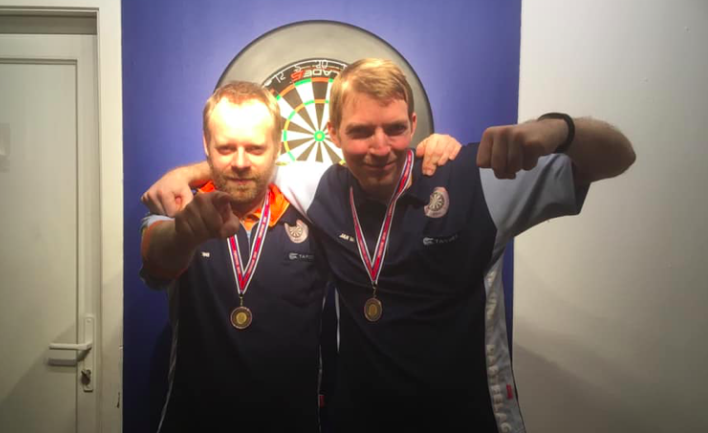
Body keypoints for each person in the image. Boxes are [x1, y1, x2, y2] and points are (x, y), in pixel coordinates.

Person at [142, 59, 635, 432]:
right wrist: (185, 175)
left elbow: (619, 156)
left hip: (468, 417)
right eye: (360, 132)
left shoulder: (476, 178)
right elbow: (247, 165)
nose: (380, 148)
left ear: (413, 124)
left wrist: (556, 129)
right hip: (361, 419)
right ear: (333, 136)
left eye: (395, 129)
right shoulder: (319, 186)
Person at [140, 80, 461, 432]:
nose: (241, 162)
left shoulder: (314, 209)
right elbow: (157, 257)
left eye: (255, 148)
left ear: (278, 146)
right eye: (226, 148)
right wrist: (185, 233)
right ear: (206, 144)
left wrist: (434, 150)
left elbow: (381, 169)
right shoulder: (179, 206)